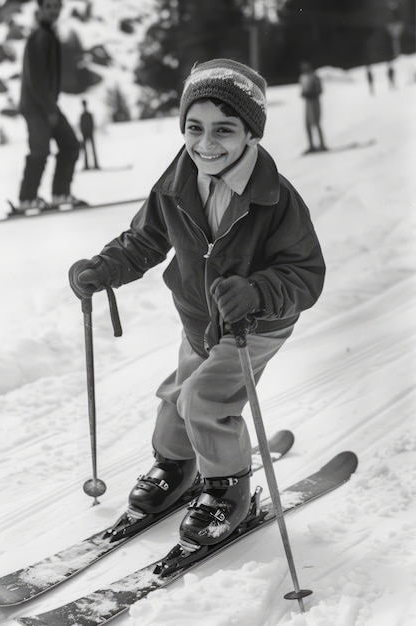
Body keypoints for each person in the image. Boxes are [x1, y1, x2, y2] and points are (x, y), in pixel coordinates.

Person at [69, 59, 326, 548]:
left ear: (251, 134)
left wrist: (257, 292)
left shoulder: (277, 198)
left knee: (204, 398)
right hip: (197, 317)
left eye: (224, 130)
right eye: (194, 128)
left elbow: (307, 273)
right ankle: (177, 465)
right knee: (177, 397)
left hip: (255, 323)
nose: (206, 144)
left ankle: (231, 490)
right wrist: (105, 268)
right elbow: (145, 239)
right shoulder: (175, 183)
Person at [17, 0, 82, 212]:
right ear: (41, 9)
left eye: (57, 6)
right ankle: (27, 199)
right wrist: (50, 109)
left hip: (45, 103)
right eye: (49, 6)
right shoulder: (40, 36)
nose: (54, 10)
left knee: (70, 144)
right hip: (36, 104)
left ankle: (60, 194)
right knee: (40, 149)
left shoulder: (48, 35)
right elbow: (36, 79)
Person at [299, 61, 327, 154]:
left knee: (316, 122)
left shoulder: (314, 77)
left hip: (314, 101)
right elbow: (302, 90)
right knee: (307, 124)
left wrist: (310, 94)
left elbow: (319, 90)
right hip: (307, 102)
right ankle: (311, 145)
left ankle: (322, 144)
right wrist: (303, 94)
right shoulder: (302, 77)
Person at [79, 99, 99, 170]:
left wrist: (90, 131)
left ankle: (96, 164)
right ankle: (86, 165)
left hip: (89, 133)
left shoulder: (88, 115)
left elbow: (92, 124)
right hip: (85, 134)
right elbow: (80, 125)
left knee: (93, 149)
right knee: (86, 151)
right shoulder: (82, 116)